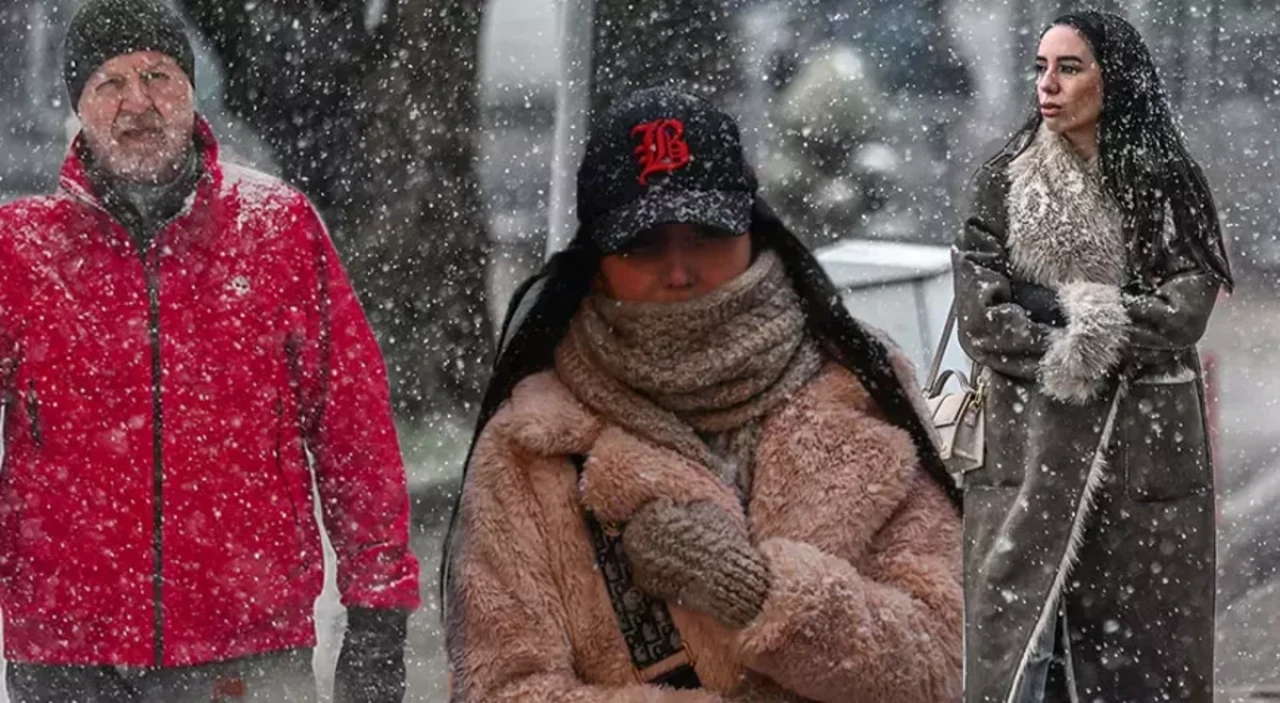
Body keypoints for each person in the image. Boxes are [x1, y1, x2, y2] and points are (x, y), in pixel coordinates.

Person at [442, 86, 962, 702]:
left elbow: (944, 658)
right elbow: (504, 689)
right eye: (644, 243)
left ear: (752, 230)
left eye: (706, 235)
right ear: (597, 260)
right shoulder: (532, 445)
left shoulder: (863, 389)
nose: (680, 269)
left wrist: (757, 596)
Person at [0, 0, 420, 700]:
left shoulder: (278, 230)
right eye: (109, 83)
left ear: (191, 92)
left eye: (158, 75)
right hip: (68, 657)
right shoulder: (19, 252)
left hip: (244, 650)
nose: (138, 102)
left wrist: (378, 618)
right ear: (80, 106)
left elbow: (355, 434)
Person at [953, 11, 1231, 703]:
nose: (1047, 84)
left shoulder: (1165, 182)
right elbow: (983, 316)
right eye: (1040, 68)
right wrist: (1078, 329)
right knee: (1027, 657)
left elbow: (1183, 310)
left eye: (1069, 67)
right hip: (1029, 454)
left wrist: (1070, 312)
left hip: (1142, 454)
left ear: (1116, 80)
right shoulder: (1004, 179)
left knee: (1139, 657)